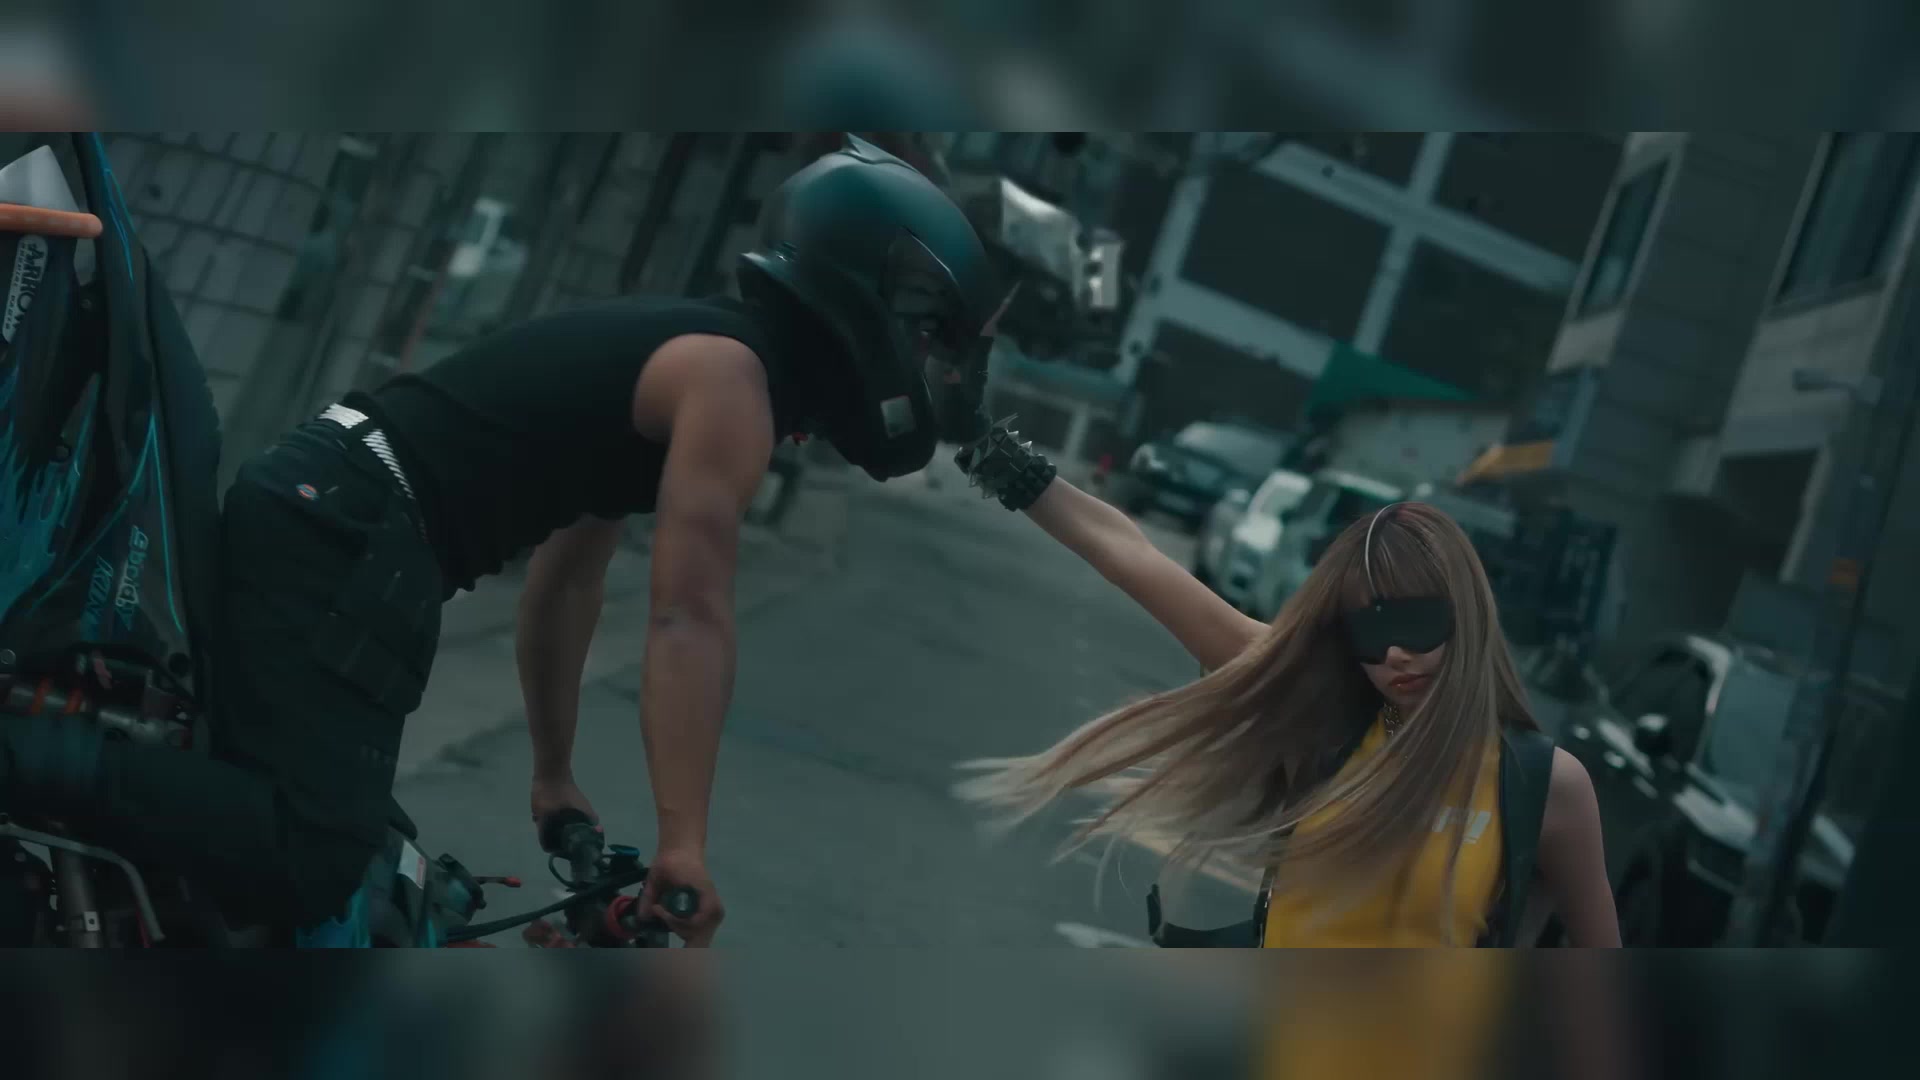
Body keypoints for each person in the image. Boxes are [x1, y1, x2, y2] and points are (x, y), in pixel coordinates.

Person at [1, 135, 1009, 947]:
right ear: (881, 306)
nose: (944, 375)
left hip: (340, 510)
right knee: (311, 851)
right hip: (360, 532)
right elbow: (687, 617)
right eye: (939, 343)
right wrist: (684, 845)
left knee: (372, 861)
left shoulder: (703, 350)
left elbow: (567, 586)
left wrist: (553, 774)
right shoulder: (731, 385)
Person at [949, 428, 1620, 947]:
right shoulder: (1328, 717)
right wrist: (994, 451)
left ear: (1466, 614)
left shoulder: (1542, 786)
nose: (1395, 654)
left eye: (1418, 622)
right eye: (1369, 630)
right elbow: (1134, 558)